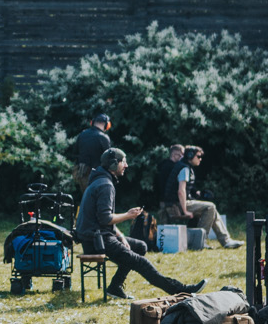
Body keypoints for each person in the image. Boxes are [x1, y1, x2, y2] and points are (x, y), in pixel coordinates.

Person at [77, 148, 202, 299]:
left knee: (140, 246)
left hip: (96, 237)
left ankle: (115, 286)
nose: (126, 165)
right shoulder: (105, 185)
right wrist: (128, 215)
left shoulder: (100, 180)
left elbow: (101, 219)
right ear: (113, 164)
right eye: (123, 161)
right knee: (141, 263)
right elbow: (105, 219)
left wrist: (121, 236)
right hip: (97, 241)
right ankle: (181, 290)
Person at [172, 146, 242, 248]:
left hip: (177, 202)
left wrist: (197, 194)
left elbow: (185, 190)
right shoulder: (184, 169)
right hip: (177, 204)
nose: (200, 159)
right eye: (199, 156)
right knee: (210, 207)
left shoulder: (183, 166)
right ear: (190, 156)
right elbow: (181, 192)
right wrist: (185, 210)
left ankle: (226, 241)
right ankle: (201, 241)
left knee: (212, 209)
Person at [72, 113, 112, 194]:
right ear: (107, 125)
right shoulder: (104, 137)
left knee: (86, 196)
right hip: (97, 174)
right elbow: (108, 158)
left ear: (92, 122)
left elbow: (75, 152)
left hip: (81, 172)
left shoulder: (82, 134)